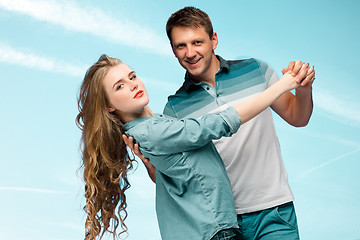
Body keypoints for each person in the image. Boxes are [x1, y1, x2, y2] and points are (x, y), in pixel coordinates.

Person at [124, 6, 315, 240]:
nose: (190, 52)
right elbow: (180, 177)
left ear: (213, 40)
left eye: (197, 42)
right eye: (180, 46)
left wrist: (304, 89)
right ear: (173, 51)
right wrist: (153, 168)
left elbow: (298, 118)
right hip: (222, 224)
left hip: (274, 211)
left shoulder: (255, 69)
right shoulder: (174, 109)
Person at [76, 54, 310, 240]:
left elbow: (187, 175)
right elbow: (217, 123)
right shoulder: (151, 131)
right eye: (119, 86)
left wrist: (155, 171)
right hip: (214, 232)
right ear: (108, 106)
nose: (133, 85)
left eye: (132, 76)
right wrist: (280, 87)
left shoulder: (156, 123)